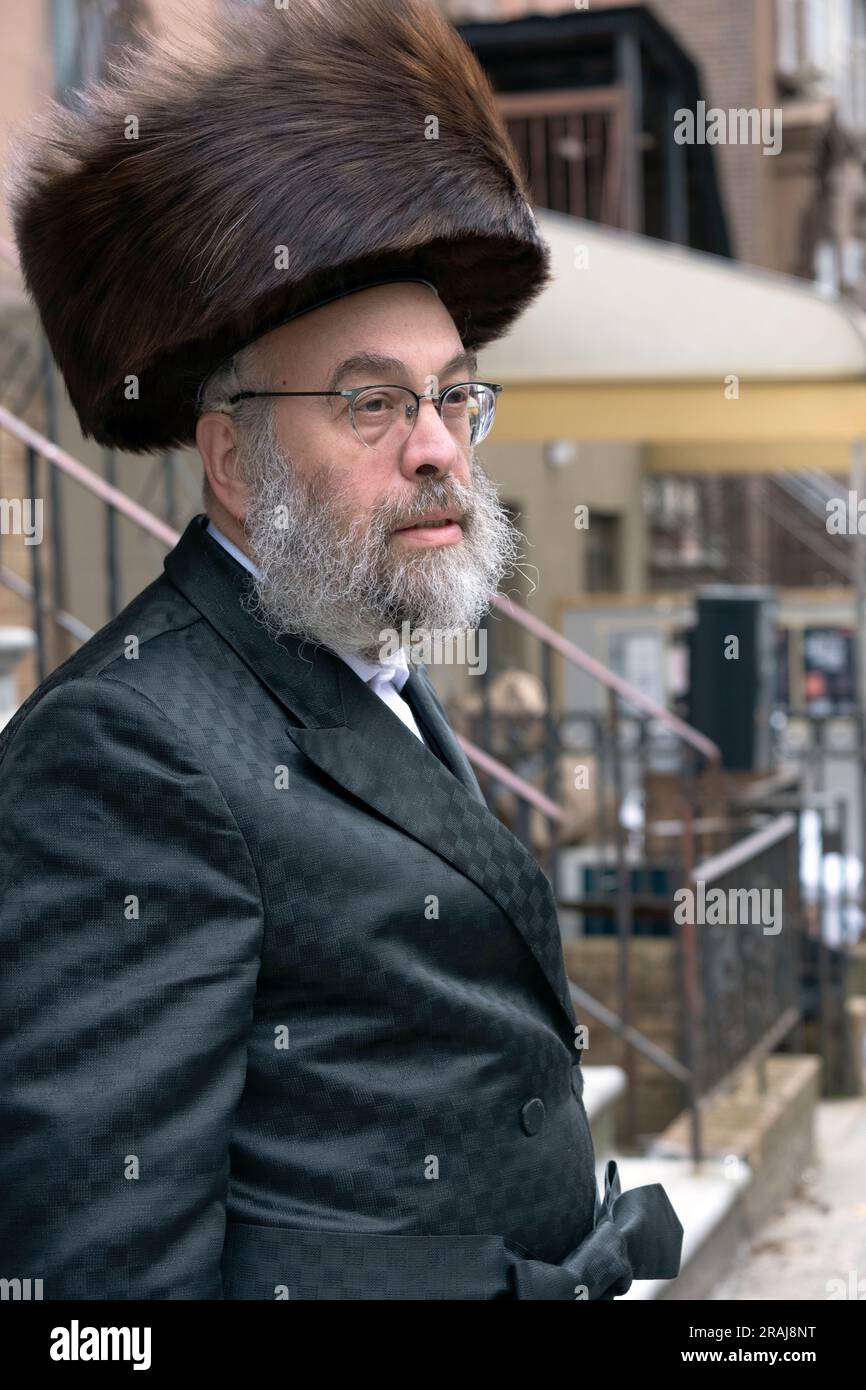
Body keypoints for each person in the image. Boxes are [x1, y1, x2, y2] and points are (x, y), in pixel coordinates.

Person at [0, 0, 682, 1299]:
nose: (436, 444)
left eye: (452, 393)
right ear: (234, 463)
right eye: (370, 401)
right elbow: (102, 1288)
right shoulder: (126, 754)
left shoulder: (362, 656)